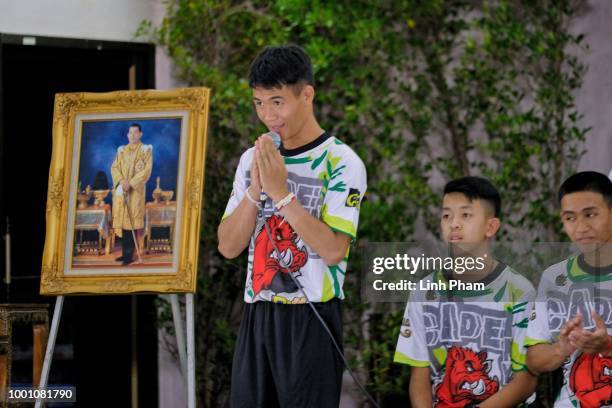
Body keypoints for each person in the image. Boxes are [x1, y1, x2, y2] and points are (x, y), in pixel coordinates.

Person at [217, 44, 367, 407]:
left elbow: (333, 250)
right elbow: (228, 246)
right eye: (258, 103)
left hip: (312, 316)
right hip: (259, 311)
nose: (268, 115)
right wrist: (256, 188)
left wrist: (282, 194)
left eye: (277, 101)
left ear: (307, 95)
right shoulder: (252, 159)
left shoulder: (342, 162)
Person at [394, 176, 537, 407]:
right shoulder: (424, 292)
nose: (454, 224)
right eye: (446, 215)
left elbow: (526, 381)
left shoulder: (519, 291)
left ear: (491, 227)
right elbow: (419, 376)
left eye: (466, 215)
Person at [526, 171, 612, 407]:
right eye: (570, 218)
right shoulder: (554, 277)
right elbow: (533, 359)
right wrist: (561, 349)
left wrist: (608, 346)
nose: (581, 227)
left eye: (590, 214)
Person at [111, 123, 153, 265]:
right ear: (128, 135)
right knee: (124, 224)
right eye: (130, 132)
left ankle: (129, 256)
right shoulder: (121, 151)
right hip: (122, 190)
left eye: (135, 132)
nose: (132, 135)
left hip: (135, 192)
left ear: (140, 134)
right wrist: (121, 180)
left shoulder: (145, 150)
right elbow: (114, 167)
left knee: (131, 223)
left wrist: (131, 183)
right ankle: (125, 254)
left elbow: (146, 171)